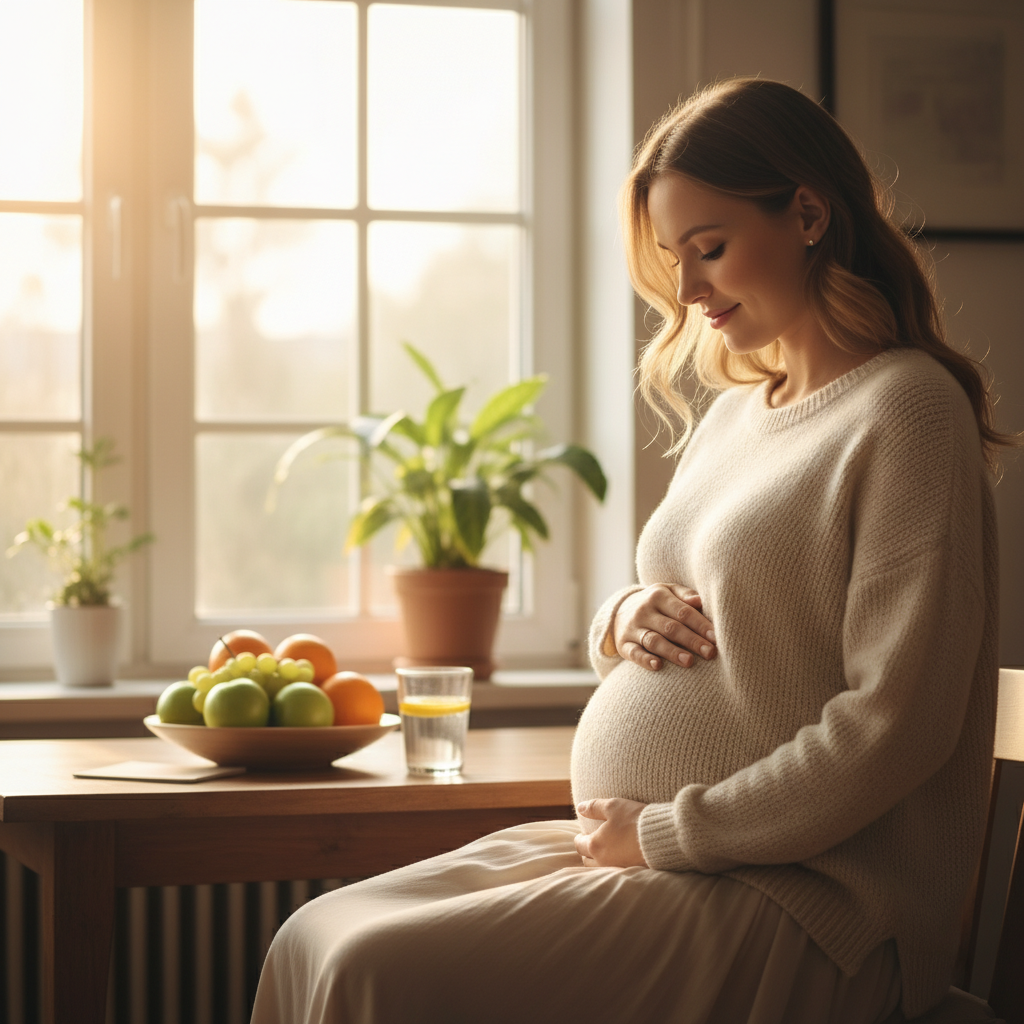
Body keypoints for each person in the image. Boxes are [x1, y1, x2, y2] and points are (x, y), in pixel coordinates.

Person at [250, 78, 1011, 1024]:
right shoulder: (736, 414)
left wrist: (668, 832)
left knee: (376, 968)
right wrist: (619, 616)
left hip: (808, 899)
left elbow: (895, 725)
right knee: (312, 937)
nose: (688, 292)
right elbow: (697, 611)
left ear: (808, 213)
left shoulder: (907, 411)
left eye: (711, 249)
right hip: (658, 848)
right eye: (672, 258)